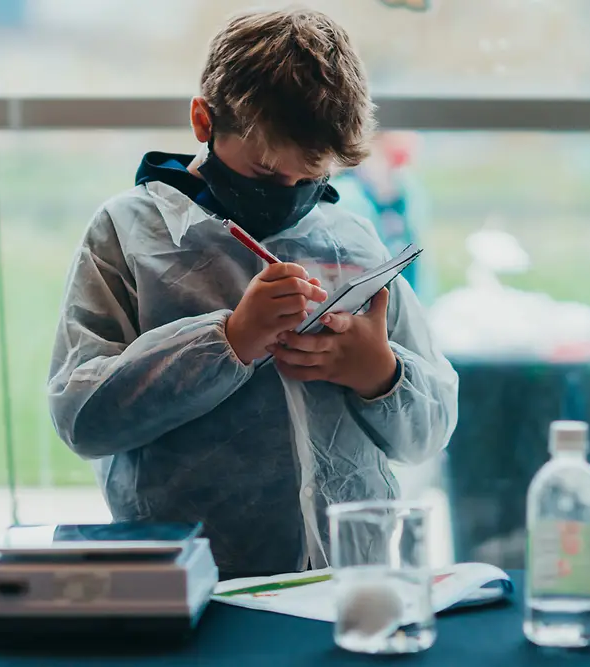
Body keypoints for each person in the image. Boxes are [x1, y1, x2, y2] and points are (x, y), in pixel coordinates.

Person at [47, 7, 458, 578]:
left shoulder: (352, 240)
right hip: (195, 582)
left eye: (310, 179)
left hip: (347, 579)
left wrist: (379, 373)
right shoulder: (129, 234)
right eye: (267, 175)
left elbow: (429, 433)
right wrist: (230, 340)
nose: (287, 195)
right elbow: (81, 416)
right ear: (203, 121)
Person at [331, 131, 434, 305]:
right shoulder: (344, 191)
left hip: (407, 301)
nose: (416, 139)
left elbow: (421, 266)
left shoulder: (408, 187)